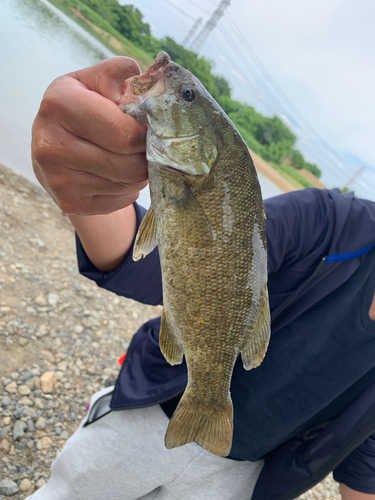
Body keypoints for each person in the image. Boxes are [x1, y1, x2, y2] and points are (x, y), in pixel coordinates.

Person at [29, 56, 375, 500]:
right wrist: (82, 185)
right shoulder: (332, 224)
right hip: (154, 414)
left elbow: (364, 451)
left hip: (247, 477)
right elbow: (137, 260)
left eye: (187, 97)